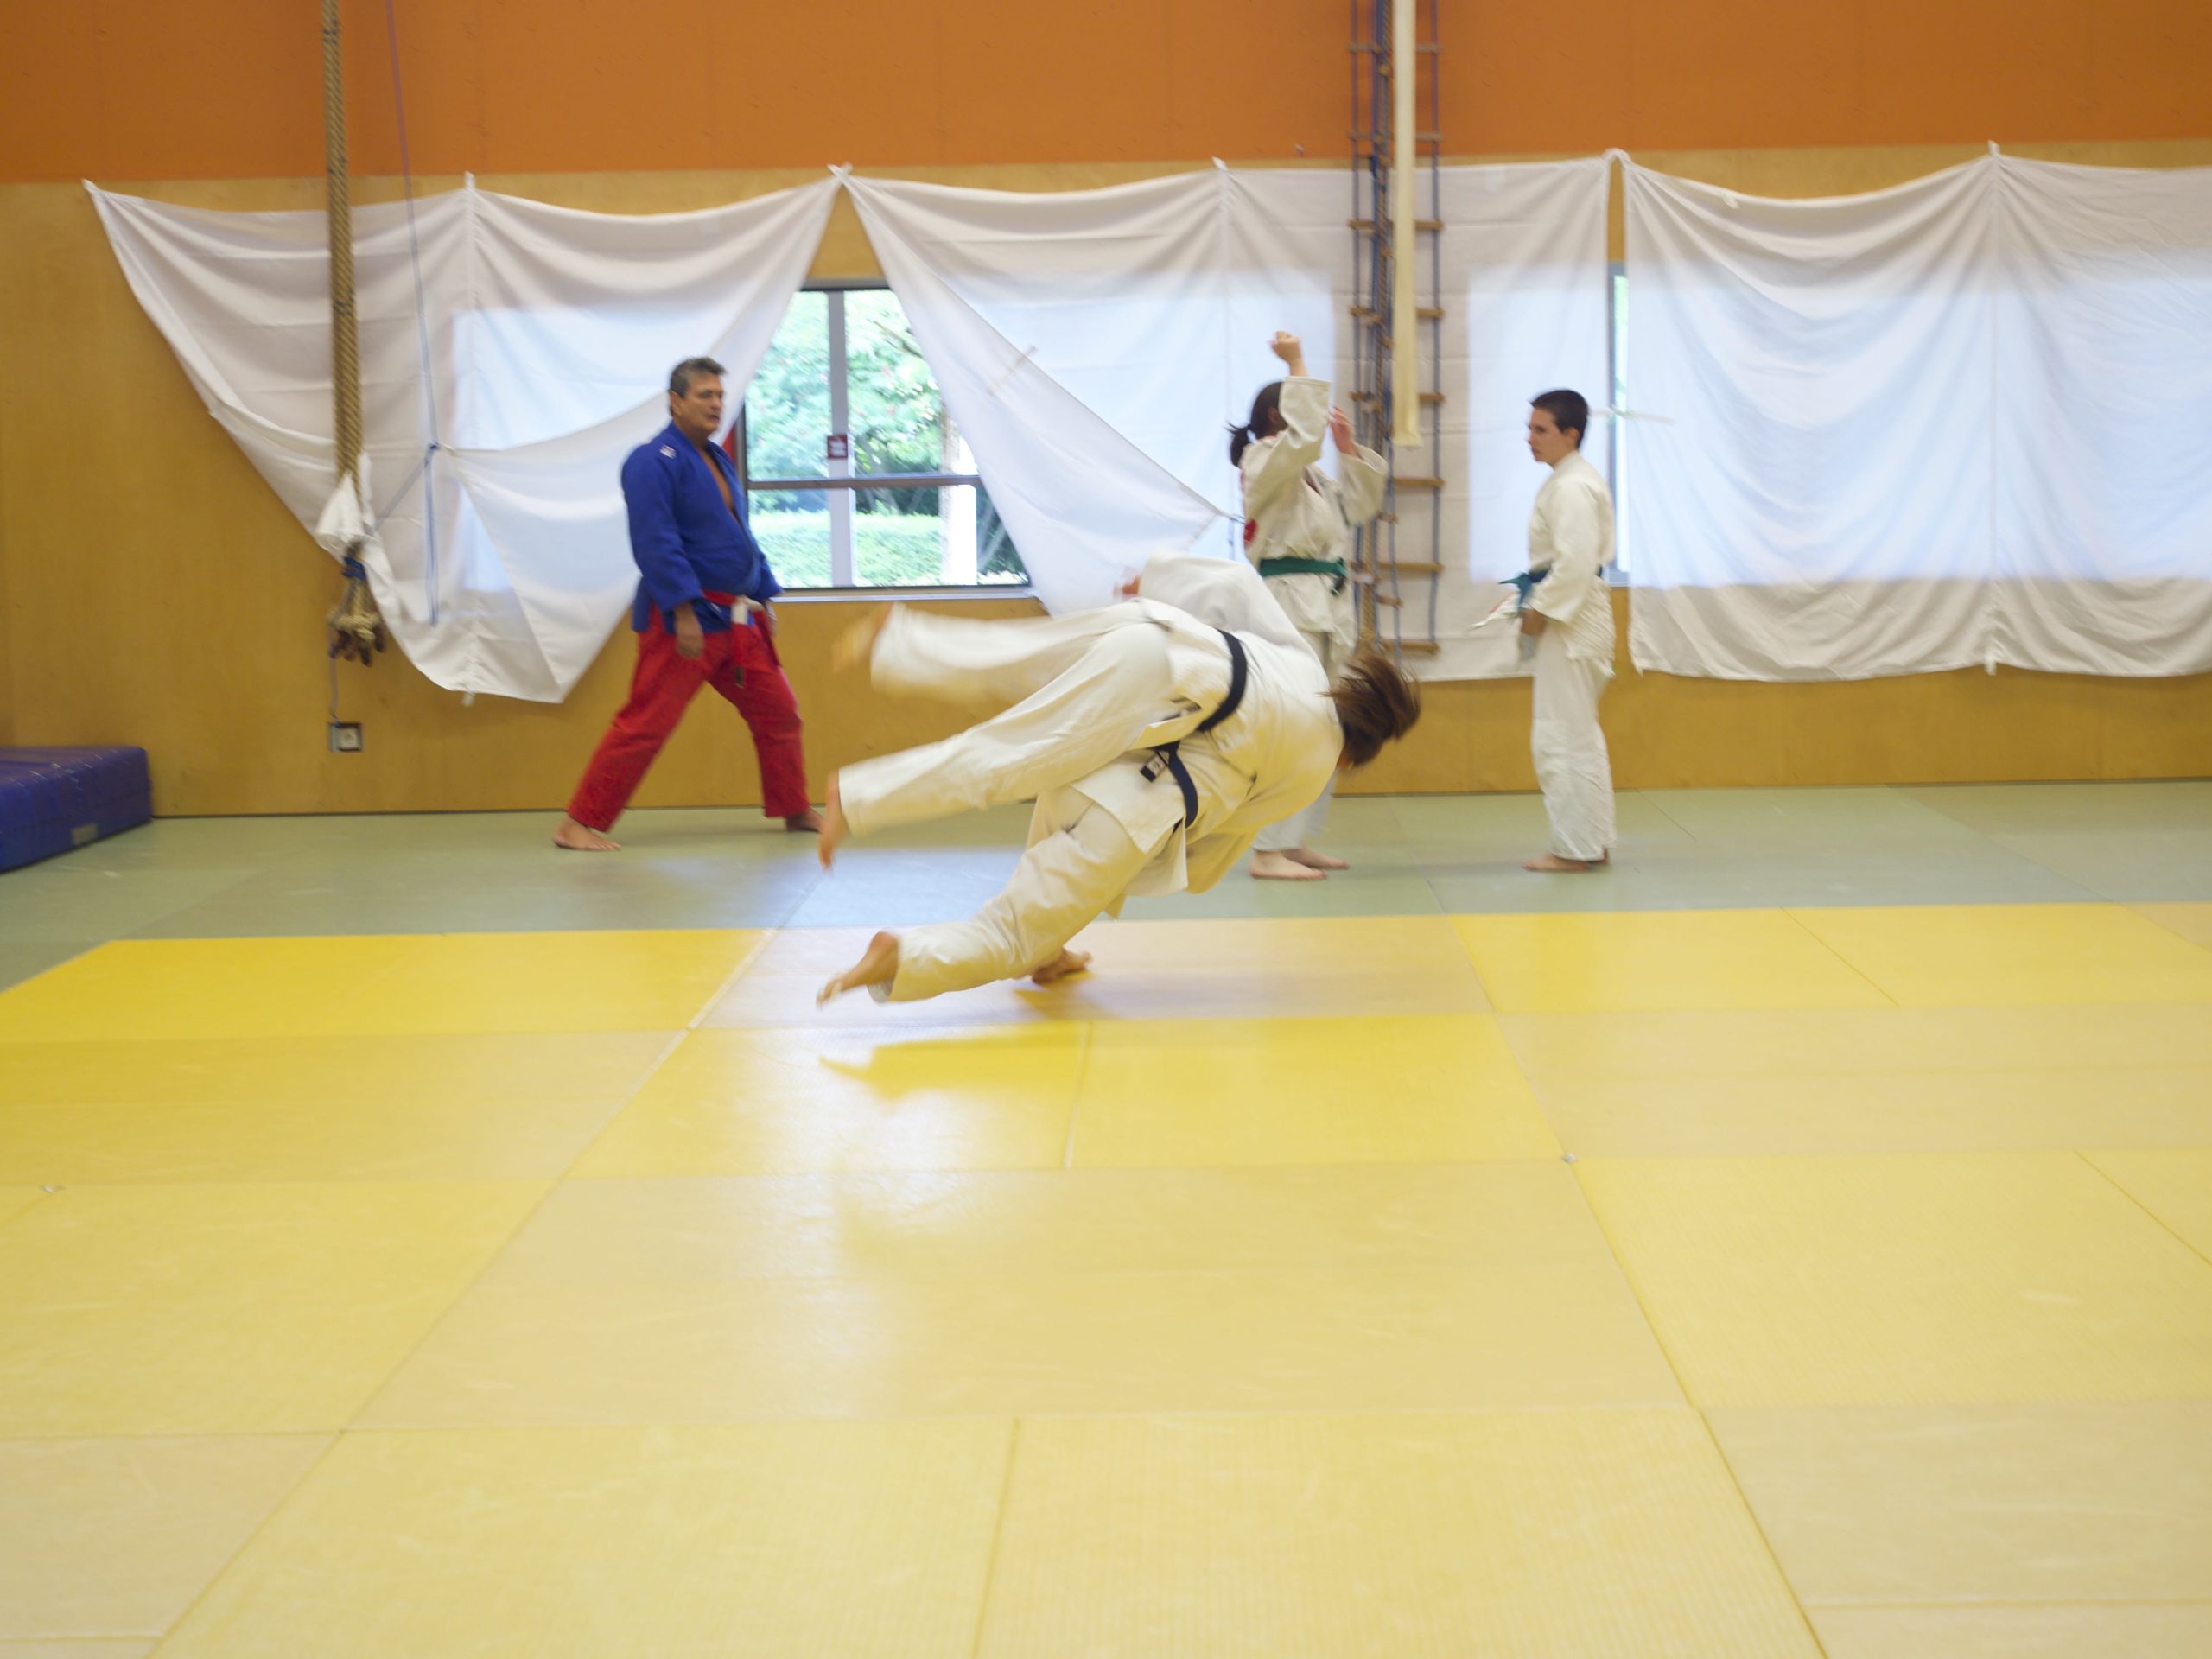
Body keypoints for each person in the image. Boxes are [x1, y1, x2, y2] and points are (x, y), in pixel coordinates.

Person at [813, 549, 1421, 1005]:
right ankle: (902, 925)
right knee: (1014, 782)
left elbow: (1238, 584)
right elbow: (1220, 838)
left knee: (1014, 663)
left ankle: (904, 641)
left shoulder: (1306, 668)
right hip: (1146, 744)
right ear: (1353, 756)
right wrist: (1170, 867)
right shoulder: (1310, 771)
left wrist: (1155, 576)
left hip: (1155, 631)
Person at [555, 357, 820, 849]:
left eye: (720, 395)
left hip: (736, 619)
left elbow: (739, 536)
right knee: (646, 723)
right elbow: (655, 541)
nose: (716, 404)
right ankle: (577, 823)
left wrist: (763, 593)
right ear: (675, 402)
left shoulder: (717, 458)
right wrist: (681, 610)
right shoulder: (650, 461)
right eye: (704, 395)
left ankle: (794, 806)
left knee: (779, 711)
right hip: (683, 619)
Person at [1229, 331, 1389, 880]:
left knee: (1326, 724)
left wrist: (1348, 450)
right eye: (1309, 411)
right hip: (1288, 607)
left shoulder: (1311, 477)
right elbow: (1300, 441)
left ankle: (1293, 840)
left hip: (1324, 605)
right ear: (1280, 417)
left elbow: (1361, 507)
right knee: (1290, 724)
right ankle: (1266, 850)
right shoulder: (1262, 462)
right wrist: (1296, 359)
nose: (1320, 419)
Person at [1519, 389, 1616, 873]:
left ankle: (1575, 850)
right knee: (1576, 733)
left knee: (1562, 735)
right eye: (1530, 428)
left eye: (1541, 430)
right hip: (1577, 614)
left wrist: (1540, 610)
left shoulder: (1573, 486)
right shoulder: (1568, 479)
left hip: (1571, 618)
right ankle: (1589, 842)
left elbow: (1575, 563)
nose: (1530, 438)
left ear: (1570, 434)